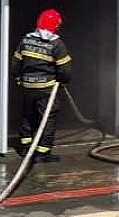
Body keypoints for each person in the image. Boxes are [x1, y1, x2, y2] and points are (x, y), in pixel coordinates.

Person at [10, 8, 73, 163]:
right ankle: (43, 152)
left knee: (28, 115)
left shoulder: (26, 41)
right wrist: (63, 82)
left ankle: (25, 146)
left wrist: (18, 79)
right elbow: (65, 70)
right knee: (48, 119)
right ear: (55, 26)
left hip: (28, 88)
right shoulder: (56, 44)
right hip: (46, 90)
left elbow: (15, 64)